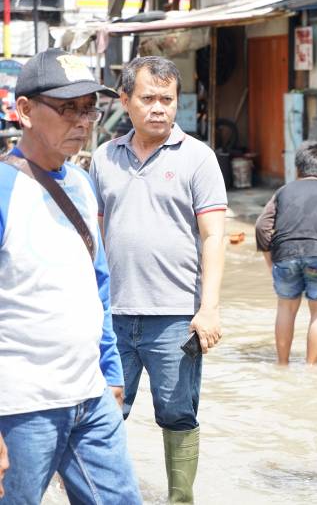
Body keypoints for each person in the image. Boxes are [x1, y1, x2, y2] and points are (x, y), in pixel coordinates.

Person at [0, 48, 141, 503]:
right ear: (24, 111)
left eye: (89, 110)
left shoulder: (80, 185)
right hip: (20, 409)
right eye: (67, 109)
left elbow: (96, 286)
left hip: (90, 398)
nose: (82, 122)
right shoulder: (4, 192)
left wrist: (111, 373)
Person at [90, 56, 227, 504]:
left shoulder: (198, 158)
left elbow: (214, 236)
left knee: (178, 414)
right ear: (125, 101)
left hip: (175, 317)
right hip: (111, 316)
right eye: (147, 98)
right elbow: (91, 238)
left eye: (167, 100)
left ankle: (179, 499)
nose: (158, 108)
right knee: (103, 415)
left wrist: (208, 309)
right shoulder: (104, 158)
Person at [255, 140, 317, 365]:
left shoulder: (283, 191)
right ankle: (312, 367)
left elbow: (262, 226)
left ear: (297, 168)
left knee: (286, 308)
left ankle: (282, 364)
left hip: (285, 255)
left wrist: (271, 260)